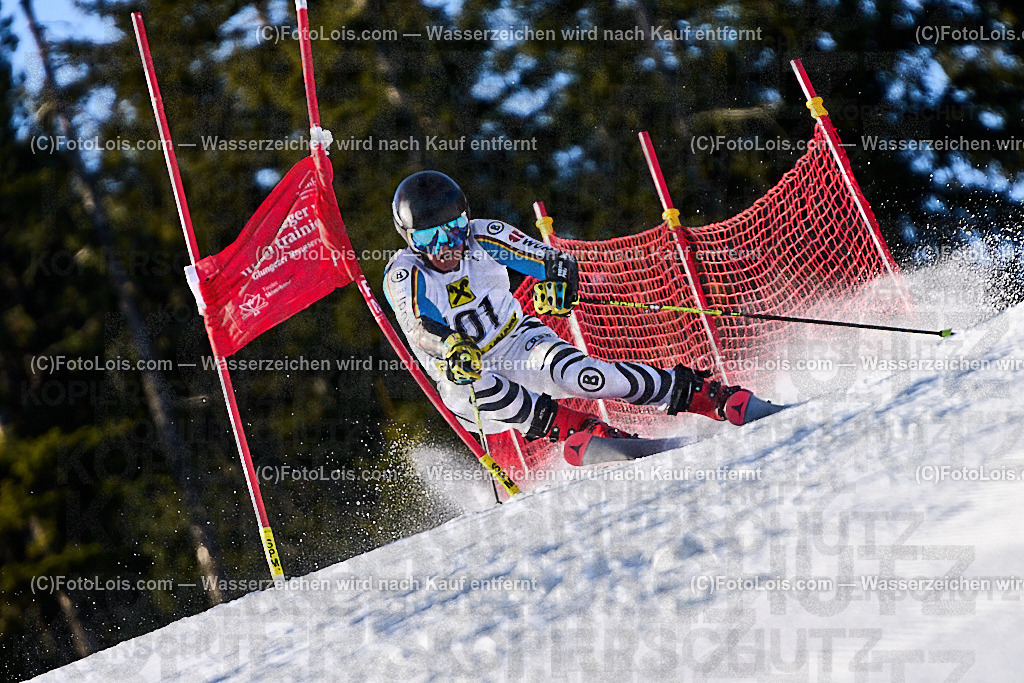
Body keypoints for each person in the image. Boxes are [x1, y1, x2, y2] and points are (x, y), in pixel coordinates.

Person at [382, 171, 775, 444]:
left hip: (517, 343)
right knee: (475, 381)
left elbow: (555, 260)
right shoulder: (403, 273)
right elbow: (418, 326)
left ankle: (705, 395)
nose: (447, 244)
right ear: (409, 239)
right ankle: (579, 430)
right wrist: (450, 346)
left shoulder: (483, 235)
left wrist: (558, 283)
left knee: (586, 375)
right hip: (467, 376)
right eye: (430, 237)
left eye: (454, 228)